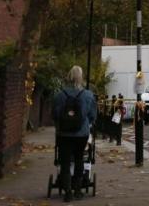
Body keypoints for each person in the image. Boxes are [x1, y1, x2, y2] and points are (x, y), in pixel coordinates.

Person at [52, 65, 97, 202]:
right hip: (81, 134)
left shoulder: (60, 95)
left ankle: (67, 192)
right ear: (81, 77)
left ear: (69, 76)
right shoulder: (88, 95)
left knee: (64, 162)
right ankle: (78, 190)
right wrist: (85, 124)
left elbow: (55, 115)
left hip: (64, 134)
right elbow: (92, 116)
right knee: (79, 159)